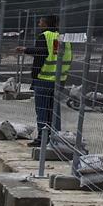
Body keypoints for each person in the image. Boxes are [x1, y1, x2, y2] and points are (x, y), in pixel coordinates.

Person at [19, 15, 72, 145]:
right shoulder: (62, 37)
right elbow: (54, 53)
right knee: (54, 111)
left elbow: (42, 54)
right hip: (59, 79)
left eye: (41, 21)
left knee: (42, 110)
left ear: (46, 23)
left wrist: (34, 73)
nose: (39, 23)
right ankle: (55, 138)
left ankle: (42, 139)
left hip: (44, 78)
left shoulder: (45, 36)